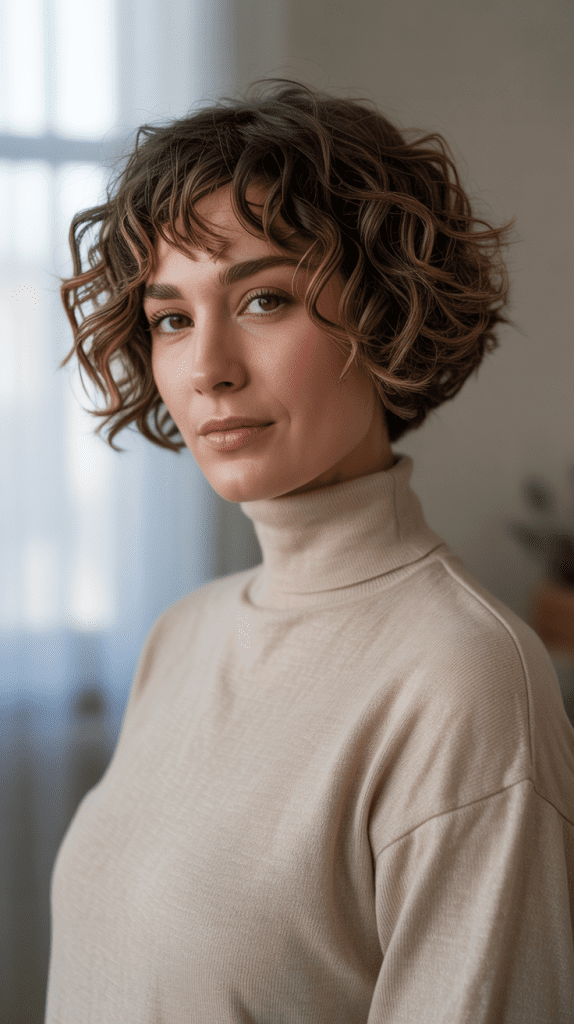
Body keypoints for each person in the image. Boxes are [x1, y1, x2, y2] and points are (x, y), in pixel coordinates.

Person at [45, 79, 574, 1023]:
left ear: (385, 312)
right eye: (172, 318)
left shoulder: (466, 679)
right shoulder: (183, 634)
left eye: (263, 299)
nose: (207, 368)